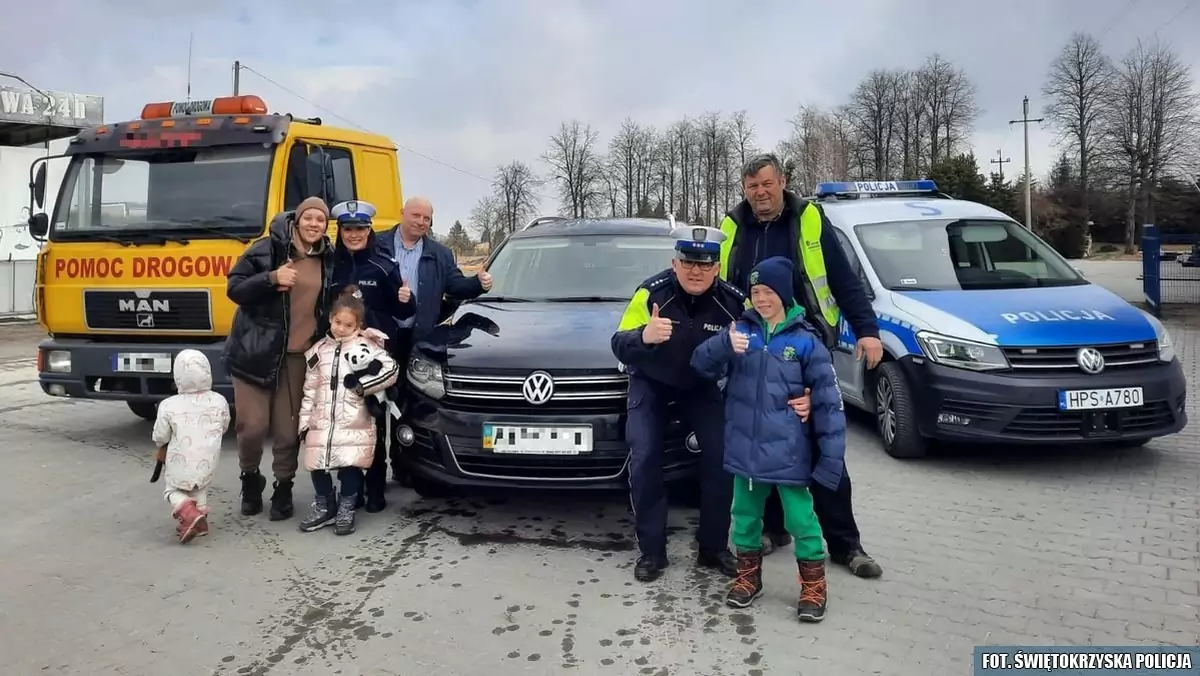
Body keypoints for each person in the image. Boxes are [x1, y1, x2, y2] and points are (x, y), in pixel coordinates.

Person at [717, 153, 884, 578]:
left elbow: (843, 279)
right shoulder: (733, 227)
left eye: (767, 184)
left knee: (821, 446)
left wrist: (866, 329)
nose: (761, 193)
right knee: (762, 443)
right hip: (755, 350)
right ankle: (775, 529)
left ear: (783, 182)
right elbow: (717, 287)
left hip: (806, 347)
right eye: (753, 186)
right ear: (744, 189)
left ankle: (847, 545)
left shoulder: (809, 219)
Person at [691, 257, 846, 622]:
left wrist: (830, 461)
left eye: (768, 292)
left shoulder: (805, 342)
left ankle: (813, 586)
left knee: (800, 520)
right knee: (744, 517)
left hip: (789, 453)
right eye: (755, 292)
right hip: (744, 450)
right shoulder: (740, 331)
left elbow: (829, 404)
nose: (761, 299)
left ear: (784, 293)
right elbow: (700, 364)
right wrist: (724, 346)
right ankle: (748, 578)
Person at [611, 224, 746, 582]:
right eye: (688, 263)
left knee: (721, 457)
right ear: (675, 263)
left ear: (717, 267)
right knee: (644, 457)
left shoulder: (733, 302)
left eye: (705, 264)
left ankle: (713, 547)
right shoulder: (651, 293)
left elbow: (755, 352)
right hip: (651, 383)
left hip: (700, 385)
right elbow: (618, 343)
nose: (696, 271)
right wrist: (644, 335)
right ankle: (652, 552)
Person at [224, 197, 335, 522]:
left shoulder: (328, 258)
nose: (314, 224)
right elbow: (235, 288)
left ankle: (283, 487)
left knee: (288, 432)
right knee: (252, 427)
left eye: (321, 220)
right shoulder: (266, 249)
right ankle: (250, 478)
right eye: (309, 218)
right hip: (255, 352)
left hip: (298, 358)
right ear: (297, 220)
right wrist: (271, 279)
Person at [376, 196, 492, 482]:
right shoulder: (377, 244)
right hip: (380, 336)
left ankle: (402, 465)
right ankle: (372, 472)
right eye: (416, 215)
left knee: (408, 403)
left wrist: (478, 284)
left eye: (427, 219)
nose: (421, 222)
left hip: (418, 338)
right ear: (402, 213)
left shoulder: (439, 253)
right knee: (375, 404)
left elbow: (455, 286)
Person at [329, 200, 414, 513]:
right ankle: (350, 488)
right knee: (343, 423)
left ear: (369, 231)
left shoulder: (383, 265)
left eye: (360, 229)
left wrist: (406, 299)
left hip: (373, 360)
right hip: (339, 357)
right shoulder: (331, 266)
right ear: (340, 231)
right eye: (348, 229)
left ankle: (375, 487)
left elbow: (405, 310)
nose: (354, 234)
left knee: (372, 423)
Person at [296, 286, 400, 535]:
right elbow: (309, 390)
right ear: (330, 318)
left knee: (350, 466)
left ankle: (346, 506)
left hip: (354, 420)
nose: (340, 328)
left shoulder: (366, 346)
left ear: (358, 326)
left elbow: (391, 369)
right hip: (321, 421)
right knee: (317, 464)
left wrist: (362, 387)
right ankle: (325, 506)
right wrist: (303, 422)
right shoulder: (318, 351)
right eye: (337, 321)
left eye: (348, 325)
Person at [151, 349, 232, 544]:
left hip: (180, 458)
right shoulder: (219, 400)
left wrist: (160, 444)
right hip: (208, 458)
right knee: (200, 486)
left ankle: (188, 512)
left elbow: (161, 435)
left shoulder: (169, 405)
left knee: (172, 490)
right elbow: (225, 425)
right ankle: (200, 522)